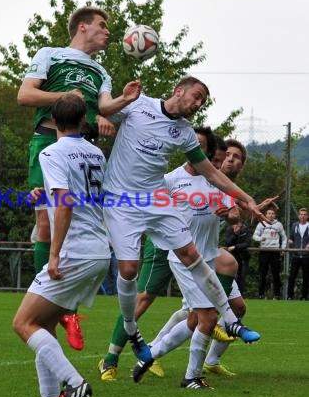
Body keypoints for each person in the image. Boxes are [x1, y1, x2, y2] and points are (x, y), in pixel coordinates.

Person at [98, 76, 266, 372]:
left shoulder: (185, 132)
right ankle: (129, 329)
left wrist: (245, 198)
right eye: (196, 96)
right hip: (120, 200)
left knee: (193, 255)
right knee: (128, 271)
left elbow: (212, 174)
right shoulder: (138, 104)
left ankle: (230, 321)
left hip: (155, 200)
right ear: (178, 90)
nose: (198, 103)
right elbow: (101, 111)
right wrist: (119, 102)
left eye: (203, 101)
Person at [17, 6, 137, 351]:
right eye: (102, 25)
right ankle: (55, 303)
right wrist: (67, 99)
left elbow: (101, 107)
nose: (108, 32)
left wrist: (121, 102)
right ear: (82, 27)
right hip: (47, 139)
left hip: (80, 145)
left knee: (79, 217)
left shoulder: (101, 71)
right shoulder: (51, 55)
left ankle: (65, 308)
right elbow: (25, 95)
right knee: (45, 220)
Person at [98, 128, 232, 381]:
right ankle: (110, 360)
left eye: (220, 160)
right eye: (215, 159)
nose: (219, 164)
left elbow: (228, 213)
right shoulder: (172, 179)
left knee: (213, 303)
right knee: (143, 299)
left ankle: (164, 351)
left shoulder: (217, 184)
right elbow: (147, 205)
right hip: (164, 249)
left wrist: (240, 211)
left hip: (197, 255)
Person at [13, 93, 111, 397]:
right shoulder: (96, 152)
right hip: (99, 249)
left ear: (53, 121)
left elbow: (66, 202)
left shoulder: (51, 152)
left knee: (24, 322)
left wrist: (53, 256)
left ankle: (74, 382)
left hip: (75, 250)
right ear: (83, 120)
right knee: (44, 323)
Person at [253, 208, 287, 299]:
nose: (271, 215)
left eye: (272, 213)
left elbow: (284, 237)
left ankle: (277, 295)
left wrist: (282, 249)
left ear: (275, 215)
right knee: (262, 273)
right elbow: (255, 236)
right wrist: (260, 239)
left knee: (276, 274)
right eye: (269, 213)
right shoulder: (261, 223)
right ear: (266, 214)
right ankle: (261, 294)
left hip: (275, 251)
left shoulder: (278, 225)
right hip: (264, 251)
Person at [287, 207, 309, 300]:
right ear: (299, 216)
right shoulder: (294, 225)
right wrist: (290, 240)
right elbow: (290, 237)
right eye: (301, 214)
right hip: (295, 255)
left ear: (307, 216)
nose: (303, 216)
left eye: (304, 214)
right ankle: (289, 296)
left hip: (306, 255)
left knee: (306, 277)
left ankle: (304, 296)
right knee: (292, 276)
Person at [225, 220, 251, 296]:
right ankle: (232, 295)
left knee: (242, 277)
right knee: (233, 277)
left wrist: (235, 247)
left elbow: (247, 243)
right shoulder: (230, 229)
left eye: (239, 224)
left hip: (244, 258)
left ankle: (241, 295)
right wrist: (235, 234)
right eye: (235, 224)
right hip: (233, 258)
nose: (237, 226)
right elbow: (227, 243)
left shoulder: (245, 230)